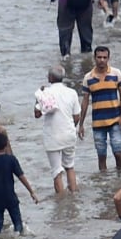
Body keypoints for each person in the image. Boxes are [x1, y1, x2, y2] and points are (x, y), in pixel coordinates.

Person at [78, 46, 121, 170]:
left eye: (104, 57)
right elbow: (85, 102)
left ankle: (120, 178)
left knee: (118, 153)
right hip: (98, 123)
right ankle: (104, 183)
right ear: (95, 58)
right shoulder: (88, 78)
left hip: (115, 120)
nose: (102, 60)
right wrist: (81, 124)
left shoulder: (116, 74)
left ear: (108, 58)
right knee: (101, 156)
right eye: (99, 57)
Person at [34, 66, 81, 194]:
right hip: (69, 134)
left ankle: (61, 201)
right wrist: (71, 126)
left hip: (52, 136)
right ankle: (74, 193)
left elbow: (37, 114)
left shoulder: (45, 93)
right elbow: (77, 116)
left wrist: (37, 98)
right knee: (70, 166)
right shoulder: (72, 93)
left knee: (56, 171)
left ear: (50, 78)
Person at [0, 132, 38, 234]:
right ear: (6, 144)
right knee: (17, 223)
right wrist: (31, 192)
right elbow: (21, 176)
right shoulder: (11, 159)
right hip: (10, 196)